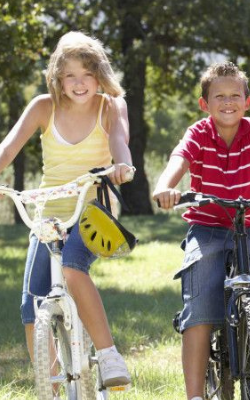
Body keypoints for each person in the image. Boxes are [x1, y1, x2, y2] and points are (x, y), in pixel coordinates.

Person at [152, 61, 250, 400]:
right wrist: (166, 185)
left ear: (247, 101)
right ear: (204, 104)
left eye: (235, 95)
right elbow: (178, 161)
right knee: (197, 308)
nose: (228, 102)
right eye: (219, 96)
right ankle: (195, 394)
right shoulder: (198, 133)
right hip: (206, 227)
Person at [0, 31, 134, 388]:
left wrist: (123, 166)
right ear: (57, 77)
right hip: (48, 214)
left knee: (73, 267)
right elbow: (7, 150)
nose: (79, 83)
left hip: (93, 211)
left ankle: (108, 356)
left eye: (87, 74)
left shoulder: (110, 106)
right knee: (31, 305)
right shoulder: (44, 106)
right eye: (70, 75)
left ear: (99, 76)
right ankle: (51, 387)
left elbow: (120, 142)